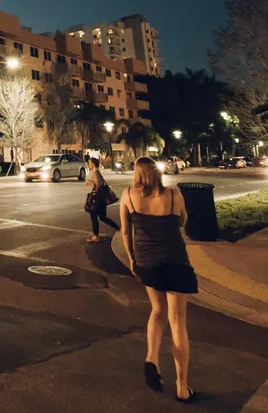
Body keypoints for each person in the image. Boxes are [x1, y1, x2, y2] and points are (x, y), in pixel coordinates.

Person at [121, 156, 197, 403]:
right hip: (176, 261)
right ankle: (182, 387)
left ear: (138, 173)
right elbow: (183, 221)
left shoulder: (128, 195)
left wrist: (132, 259)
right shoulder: (174, 195)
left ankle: (152, 357)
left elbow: (125, 231)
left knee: (157, 311)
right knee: (178, 322)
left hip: (147, 263)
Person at [85, 157, 119, 241]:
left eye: (89, 163)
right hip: (100, 199)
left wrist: (89, 183)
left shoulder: (96, 173)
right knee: (102, 217)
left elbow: (98, 186)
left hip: (97, 199)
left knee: (94, 217)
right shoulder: (96, 172)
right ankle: (119, 229)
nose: (88, 164)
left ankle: (96, 236)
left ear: (93, 164)